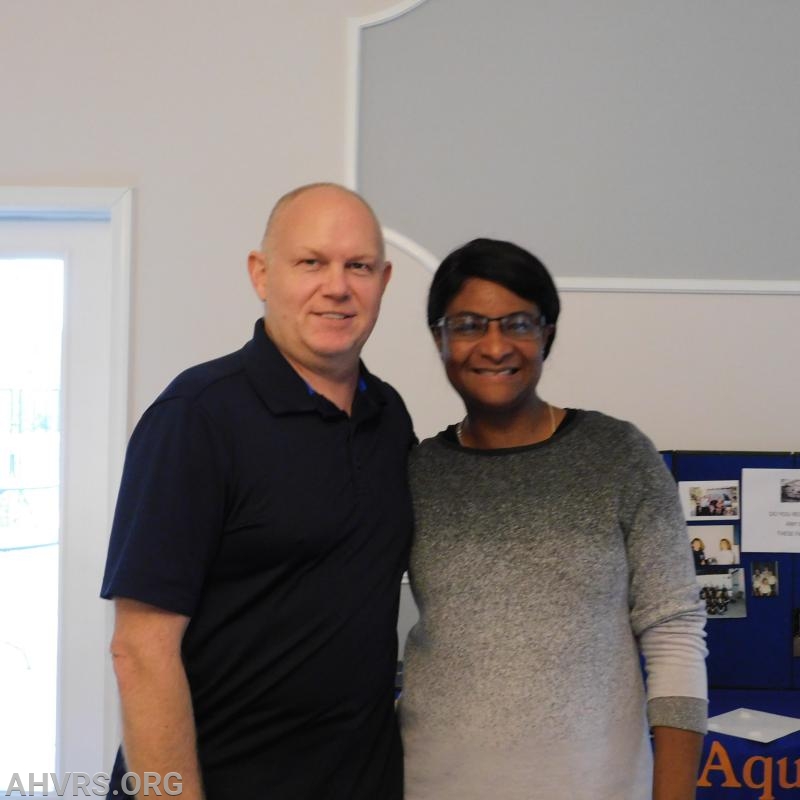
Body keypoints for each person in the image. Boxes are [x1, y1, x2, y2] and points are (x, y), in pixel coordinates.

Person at [100, 183, 414, 799]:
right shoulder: (196, 417)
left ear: (384, 280)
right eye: (311, 262)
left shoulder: (390, 418)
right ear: (261, 274)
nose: (338, 286)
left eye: (359, 266)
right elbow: (140, 651)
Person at [400, 238, 708, 800]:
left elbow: (674, 631)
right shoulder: (416, 473)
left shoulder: (618, 455)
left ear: (547, 334)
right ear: (439, 338)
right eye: (468, 324)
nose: (494, 346)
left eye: (517, 323)